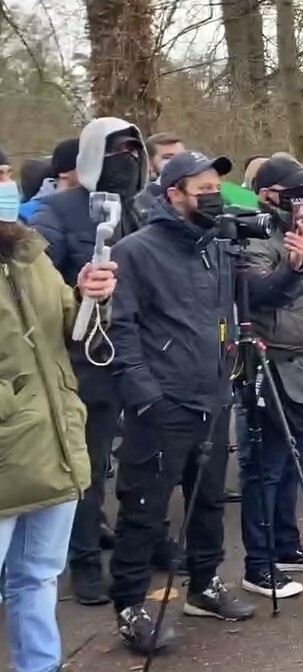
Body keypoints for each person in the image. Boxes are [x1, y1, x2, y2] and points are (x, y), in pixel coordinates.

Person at [108, 151, 303, 651]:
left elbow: (256, 297)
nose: (214, 197)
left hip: (213, 396)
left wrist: (295, 266)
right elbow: (120, 329)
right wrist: (145, 395)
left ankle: (204, 583)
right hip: (162, 403)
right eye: (203, 190)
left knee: (209, 499)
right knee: (145, 509)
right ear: (173, 194)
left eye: (216, 187)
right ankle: (130, 605)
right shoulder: (135, 251)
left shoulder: (217, 246)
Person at [26, 118, 152, 606]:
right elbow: (39, 283)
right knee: (90, 466)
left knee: (145, 458)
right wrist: (81, 289)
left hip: (144, 352)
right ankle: (83, 562)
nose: (129, 160)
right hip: (88, 358)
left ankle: (146, 543)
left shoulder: (144, 209)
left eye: (135, 151)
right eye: (118, 151)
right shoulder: (57, 212)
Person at [0, 160, 118, 672]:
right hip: (8, 451)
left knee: (39, 576)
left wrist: (89, 296)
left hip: (55, 445)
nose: (5, 185)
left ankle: (41, 665)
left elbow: (71, 330)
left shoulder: (30, 253)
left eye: (5, 173)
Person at [236, 155, 303, 597]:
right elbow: (259, 292)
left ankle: (286, 545)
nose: (301, 199)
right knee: (265, 468)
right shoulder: (253, 234)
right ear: (267, 195)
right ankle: (258, 564)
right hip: (271, 366)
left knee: (292, 463)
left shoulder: (301, 230)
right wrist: (296, 265)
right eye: (292, 191)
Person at [135, 132, 186, 222]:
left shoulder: (197, 193)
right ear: (149, 163)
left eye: (182, 157)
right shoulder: (142, 200)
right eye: (168, 157)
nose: (177, 162)